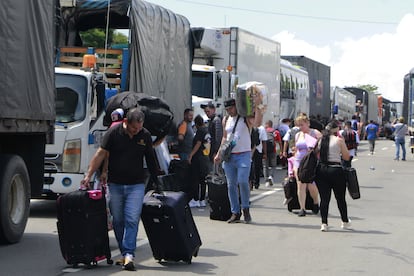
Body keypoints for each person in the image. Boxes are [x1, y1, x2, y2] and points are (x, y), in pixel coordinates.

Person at [81, 108, 160, 271]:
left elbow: (151, 158)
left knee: (132, 218)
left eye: (139, 128)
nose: (136, 132)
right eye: (133, 129)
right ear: (125, 122)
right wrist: (88, 175)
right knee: (118, 220)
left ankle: (129, 254)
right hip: (115, 184)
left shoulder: (144, 135)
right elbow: (100, 154)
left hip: (137, 185)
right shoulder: (113, 133)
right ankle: (125, 253)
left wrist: (157, 180)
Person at [214, 98, 263, 223]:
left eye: (231, 108)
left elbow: (257, 123)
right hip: (229, 156)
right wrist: (219, 153)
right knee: (231, 185)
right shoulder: (226, 120)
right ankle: (235, 212)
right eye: (227, 109)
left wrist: (257, 108)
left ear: (236, 106)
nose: (229, 111)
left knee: (243, 181)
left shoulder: (245, 118)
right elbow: (225, 138)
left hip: (244, 154)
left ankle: (245, 208)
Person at [315, 120, 351, 232]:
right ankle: (344, 221)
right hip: (336, 170)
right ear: (336, 130)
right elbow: (346, 157)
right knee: (340, 198)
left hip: (321, 170)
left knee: (324, 199)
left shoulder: (321, 140)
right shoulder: (339, 140)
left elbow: (316, 153)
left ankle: (324, 223)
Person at [292, 113, 321, 217]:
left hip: (310, 162)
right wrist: (294, 153)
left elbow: (322, 144)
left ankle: (315, 201)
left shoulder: (314, 133)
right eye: (298, 125)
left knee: (311, 185)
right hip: (299, 161)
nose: (301, 127)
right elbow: (296, 147)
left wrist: (314, 148)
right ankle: (302, 208)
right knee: (300, 184)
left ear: (307, 123)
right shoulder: (298, 135)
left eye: (302, 124)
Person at [188, 115, 211, 207]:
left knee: (195, 179)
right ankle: (202, 199)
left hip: (198, 158)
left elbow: (198, 144)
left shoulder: (200, 131)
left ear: (197, 124)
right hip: (205, 157)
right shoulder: (207, 131)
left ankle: (196, 199)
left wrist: (191, 155)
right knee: (203, 180)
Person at [264, 120, 283, 186]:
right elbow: (280, 142)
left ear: (267, 124)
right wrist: (281, 151)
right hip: (273, 150)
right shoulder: (276, 132)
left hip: (264, 151)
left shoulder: (264, 131)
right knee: (273, 165)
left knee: (265, 166)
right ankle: (271, 176)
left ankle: (266, 180)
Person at [250, 124, 267, 189]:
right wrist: (265, 153)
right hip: (258, 149)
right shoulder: (262, 128)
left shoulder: (248, 125)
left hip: (249, 149)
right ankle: (256, 183)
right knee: (257, 167)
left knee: (250, 166)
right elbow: (264, 141)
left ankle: (250, 182)